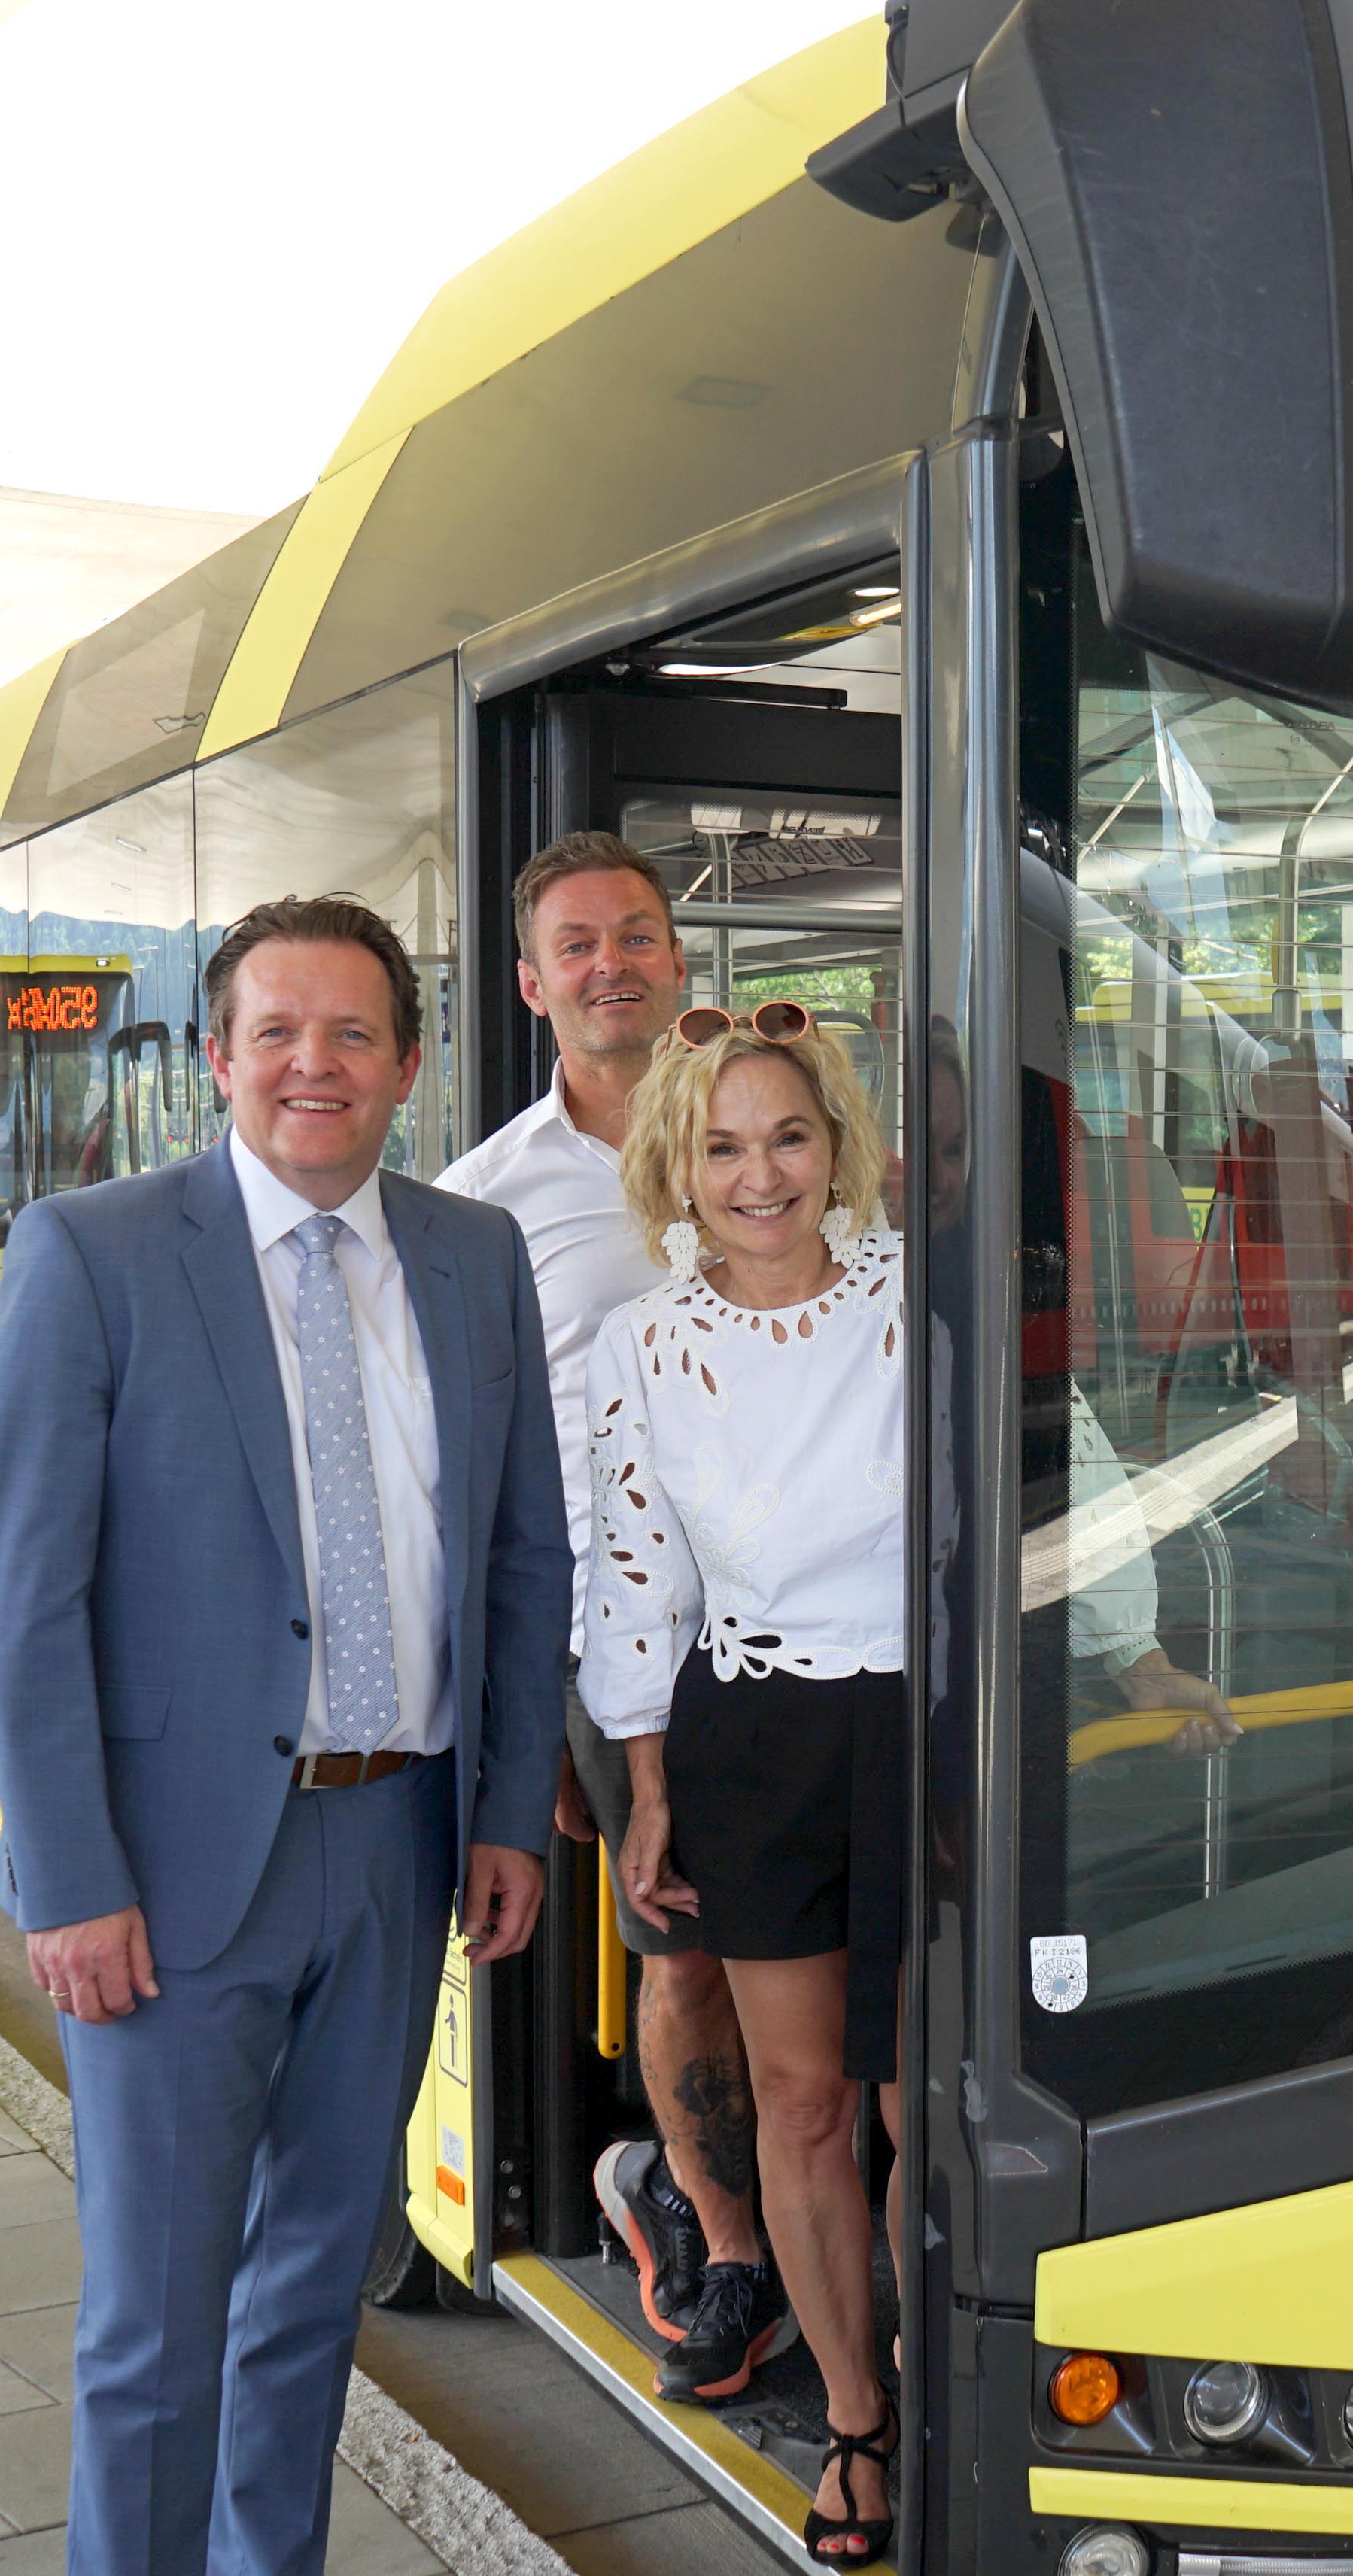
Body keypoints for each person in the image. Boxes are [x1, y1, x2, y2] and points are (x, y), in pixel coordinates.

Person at [0, 892, 568, 2576]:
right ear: (215, 1058)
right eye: (277, 1031)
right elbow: (20, 1592)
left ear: (411, 1062)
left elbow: (520, 1555)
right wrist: (68, 1874)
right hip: (173, 1877)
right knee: (153, 2312)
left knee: (319, 2266)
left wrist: (506, 1812)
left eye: (355, 1032)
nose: (317, 1063)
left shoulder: (472, 1258)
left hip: (395, 1850)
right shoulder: (96, 1253)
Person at [436, 833, 783, 2401]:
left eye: (636, 935)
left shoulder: (771, 1134)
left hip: (810, 1614)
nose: (610, 965)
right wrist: (529, 1715)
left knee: (835, 1952)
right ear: (531, 985)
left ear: (679, 959)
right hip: (620, 1640)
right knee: (687, 1956)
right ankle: (729, 2242)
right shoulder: (482, 1202)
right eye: (575, 945)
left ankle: (809, 2214)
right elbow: (475, 1468)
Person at [583, 1001, 912, 2568]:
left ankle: (950, 2383)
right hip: (754, 1731)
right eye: (723, 1147)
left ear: (838, 1146)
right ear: (678, 1166)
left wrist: (1143, 1659)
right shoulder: (644, 1341)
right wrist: (647, 1786)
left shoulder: (920, 1295)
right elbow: (634, 1575)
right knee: (804, 2099)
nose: (760, 1174)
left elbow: (1053, 1474)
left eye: (788, 1136)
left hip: (928, 1727)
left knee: (928, 2101)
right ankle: (857, 2418)